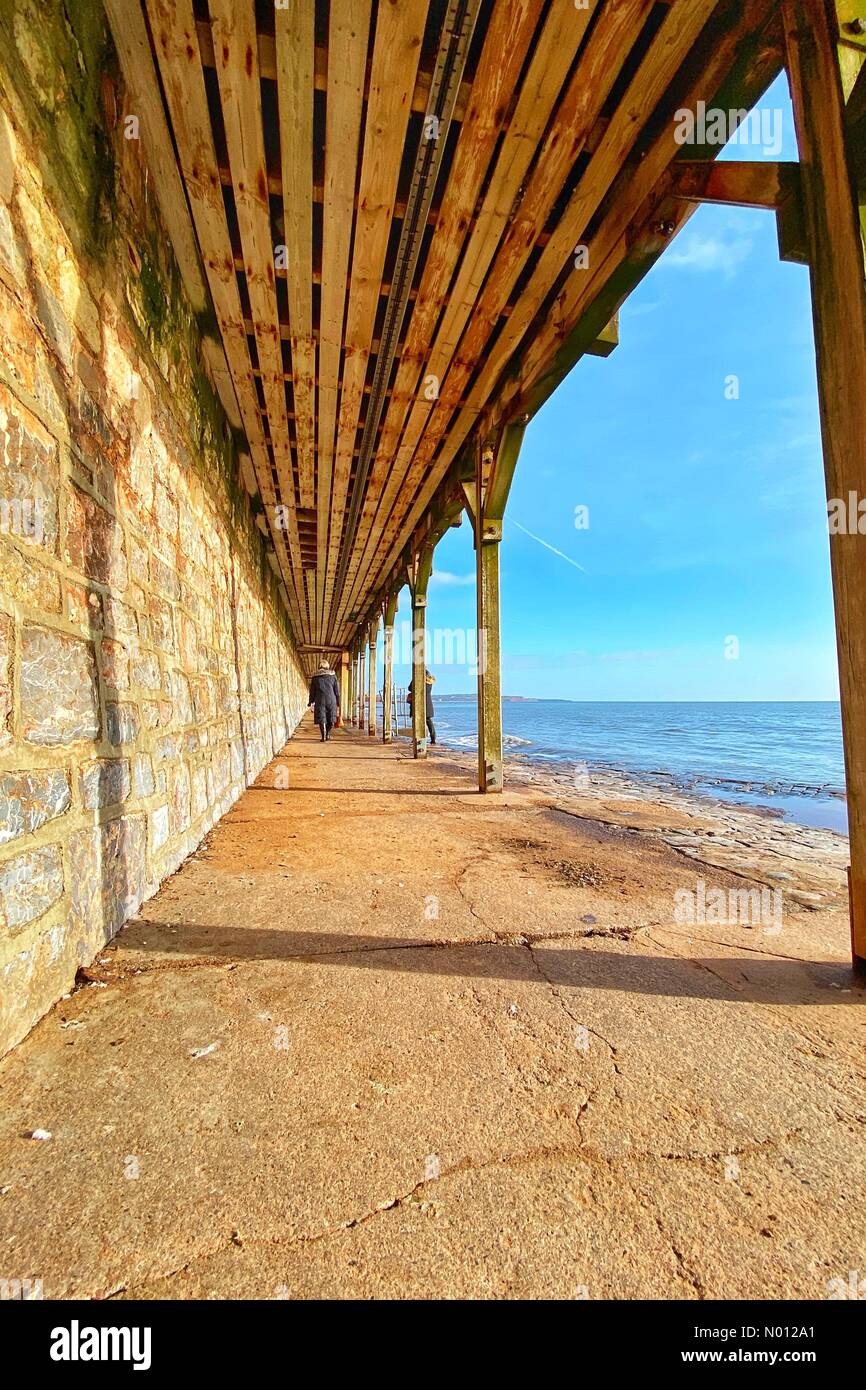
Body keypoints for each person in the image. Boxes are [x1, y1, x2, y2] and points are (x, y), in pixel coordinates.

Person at [308, 660, 340, 742]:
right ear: (327, 666)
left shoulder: (315, 677)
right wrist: (338, 702)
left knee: (322, 718)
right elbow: (337, 690)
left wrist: (310, 701)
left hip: (320, 700)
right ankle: (327, 733)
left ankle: (323, 737)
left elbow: (312, 691)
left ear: (319, 667)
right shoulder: (333, 676)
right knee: (331, 718)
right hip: (331, 700)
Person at [408, 667, 436, 745]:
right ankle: (433, 738)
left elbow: (410, 688)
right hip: (427, 704)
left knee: (416, 721)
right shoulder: (429, 682)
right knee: (429, 721)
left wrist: (414, 679)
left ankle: (416, 738)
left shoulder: (419, 681)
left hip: (418, 703)